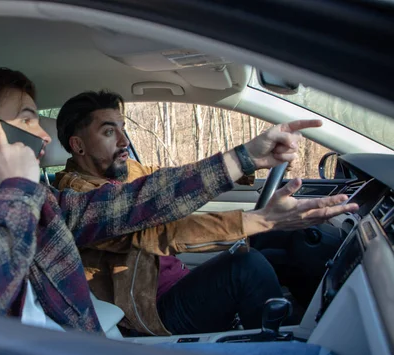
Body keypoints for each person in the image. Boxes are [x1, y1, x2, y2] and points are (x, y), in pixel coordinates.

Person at [0, 68, 357, 337]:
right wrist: (18, 190)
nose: (43, 138)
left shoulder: (28, 200)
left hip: (81, 353)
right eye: (26, 118)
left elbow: (133, 203)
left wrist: (243, 156)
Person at [54, 90, 348, 335]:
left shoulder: (124, 171)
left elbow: (173, 181)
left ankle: (328, 331)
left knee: (281, 247)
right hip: (152, 314)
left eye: (122, 129)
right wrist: (261, 219)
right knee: (248, 267)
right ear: (78, 145)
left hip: (177, 283)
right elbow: (160, 232)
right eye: (108, 131)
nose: (124, 141)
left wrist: (247, 168)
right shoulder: (79, 200)